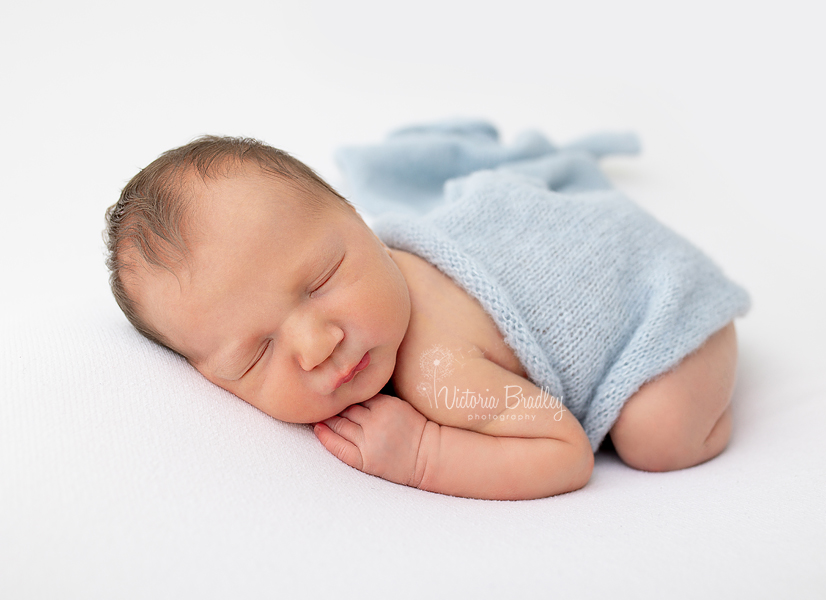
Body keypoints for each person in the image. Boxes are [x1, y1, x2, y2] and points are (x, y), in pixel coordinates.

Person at [104, 126, 749, 500]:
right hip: (600, 241)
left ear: (361, 222)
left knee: (656, 436)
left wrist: (424, 454)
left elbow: (566, 452)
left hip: (657, 296)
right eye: (257, 354)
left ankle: (714, 379)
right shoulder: (364, 288)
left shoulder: (440, 368)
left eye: (323, 280)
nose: (315, 344)